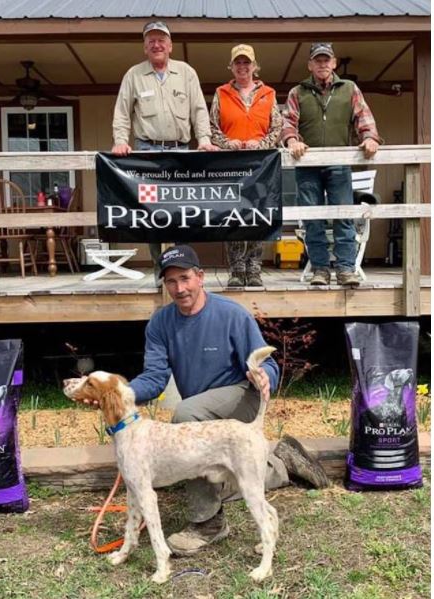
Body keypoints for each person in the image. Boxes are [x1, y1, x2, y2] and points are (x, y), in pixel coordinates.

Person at [129, 244, 329, 556]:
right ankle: (279, 463)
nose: (179, 289)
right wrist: (121, 394)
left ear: (200, 276)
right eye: (171, 282)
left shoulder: (232, 315)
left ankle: (208, 523)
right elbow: (154, 378)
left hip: (241, 398)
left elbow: (268, 364)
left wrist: (264, 375)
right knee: (221, 460)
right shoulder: (160, 324)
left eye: (185, 279)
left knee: (185, 416)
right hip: (204, 411)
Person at [111, 20, 218, 284]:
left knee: (182, 212)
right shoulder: (133, 75)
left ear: (170, 46)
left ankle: (182, 269)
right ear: (145, 47)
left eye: (161, 40)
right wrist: (120, 141)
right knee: (154, 214)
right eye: (151, 41)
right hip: (148, 153)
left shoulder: (186, 72)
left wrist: (204, 139)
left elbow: (198, 110)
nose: (157, 45)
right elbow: (122, 113)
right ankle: (161, 269)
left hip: (180, 151)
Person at [281, 42, 382, 288]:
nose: (322, 64)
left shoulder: (349, 89)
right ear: (310, 65)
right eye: (318, 60)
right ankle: (320, 269)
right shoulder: (298, 92)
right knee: (312, 219)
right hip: (307, 165)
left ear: (334, 63)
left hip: (339, 164)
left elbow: (363, 118)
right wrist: (292, 140)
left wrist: (369, 137)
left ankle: (346, 269)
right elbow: (287, 123)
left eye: (326, 60)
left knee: (343, 216)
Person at [210, 44, 283, 288]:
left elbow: (277, 127)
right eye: (237, 63)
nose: (242, 67)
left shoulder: (269, 94)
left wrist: (261, 143)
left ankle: (254, 269)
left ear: (255, 66)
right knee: (233, 216)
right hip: (231, 164)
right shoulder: (221, 93)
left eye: (246, 62)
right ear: (231, 66)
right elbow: (211, 127)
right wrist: (226, 142)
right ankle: (236, 270)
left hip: (260, 164)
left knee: (257, 215)